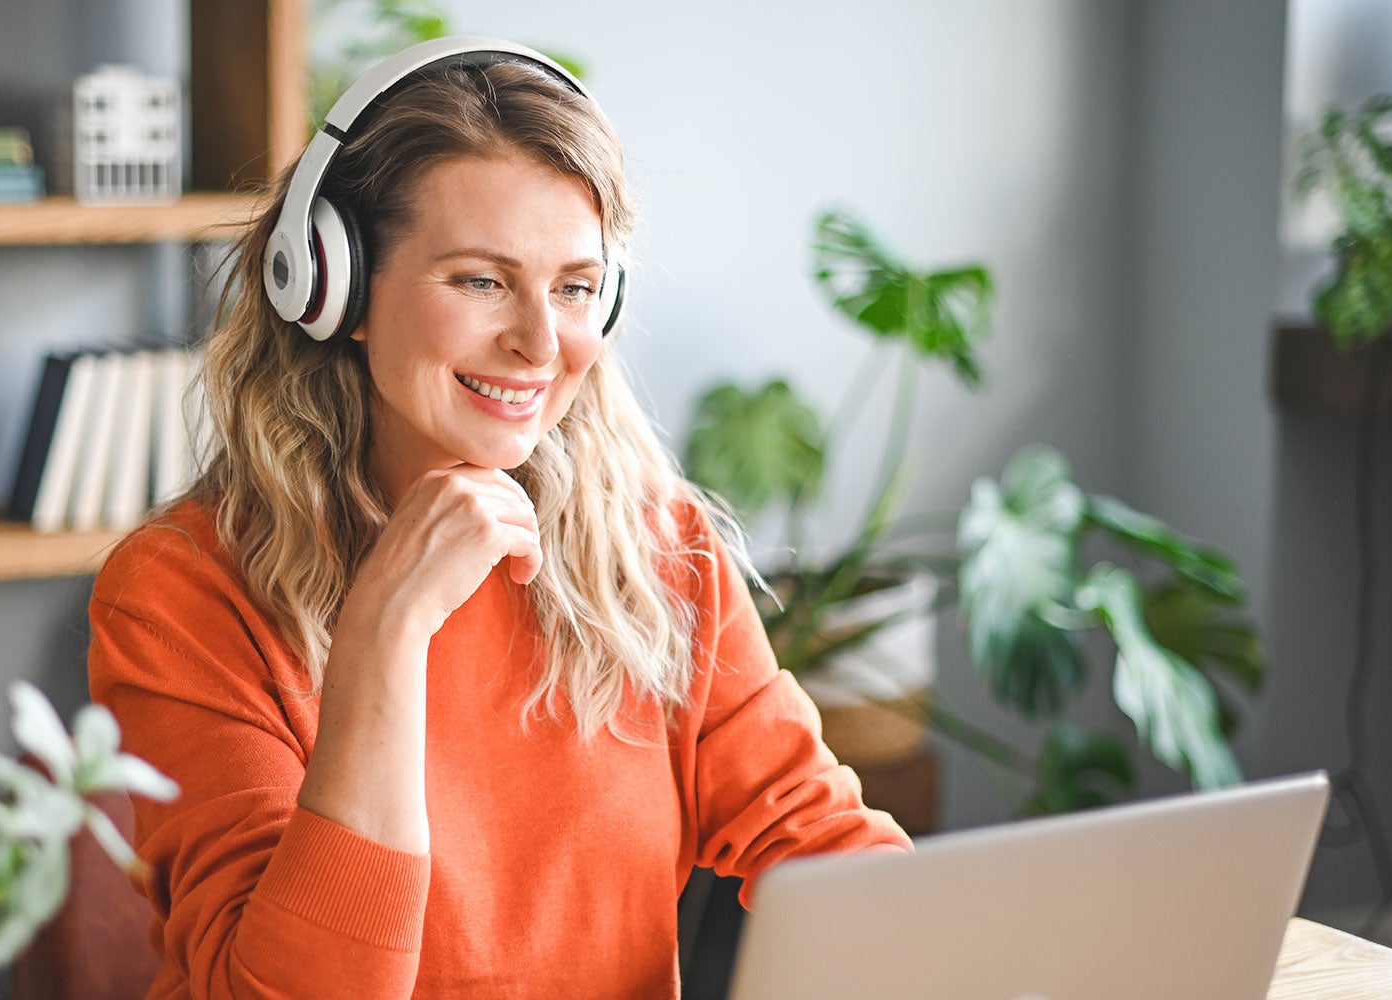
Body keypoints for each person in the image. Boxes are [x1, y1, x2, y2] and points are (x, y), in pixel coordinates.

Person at [87, 37, 911, 1000]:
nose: (537, 343)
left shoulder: (660, 551)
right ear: (332, 286)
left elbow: (822, 846)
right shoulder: (182, 590)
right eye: (480, 281)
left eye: (573, 288)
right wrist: (385, 632)